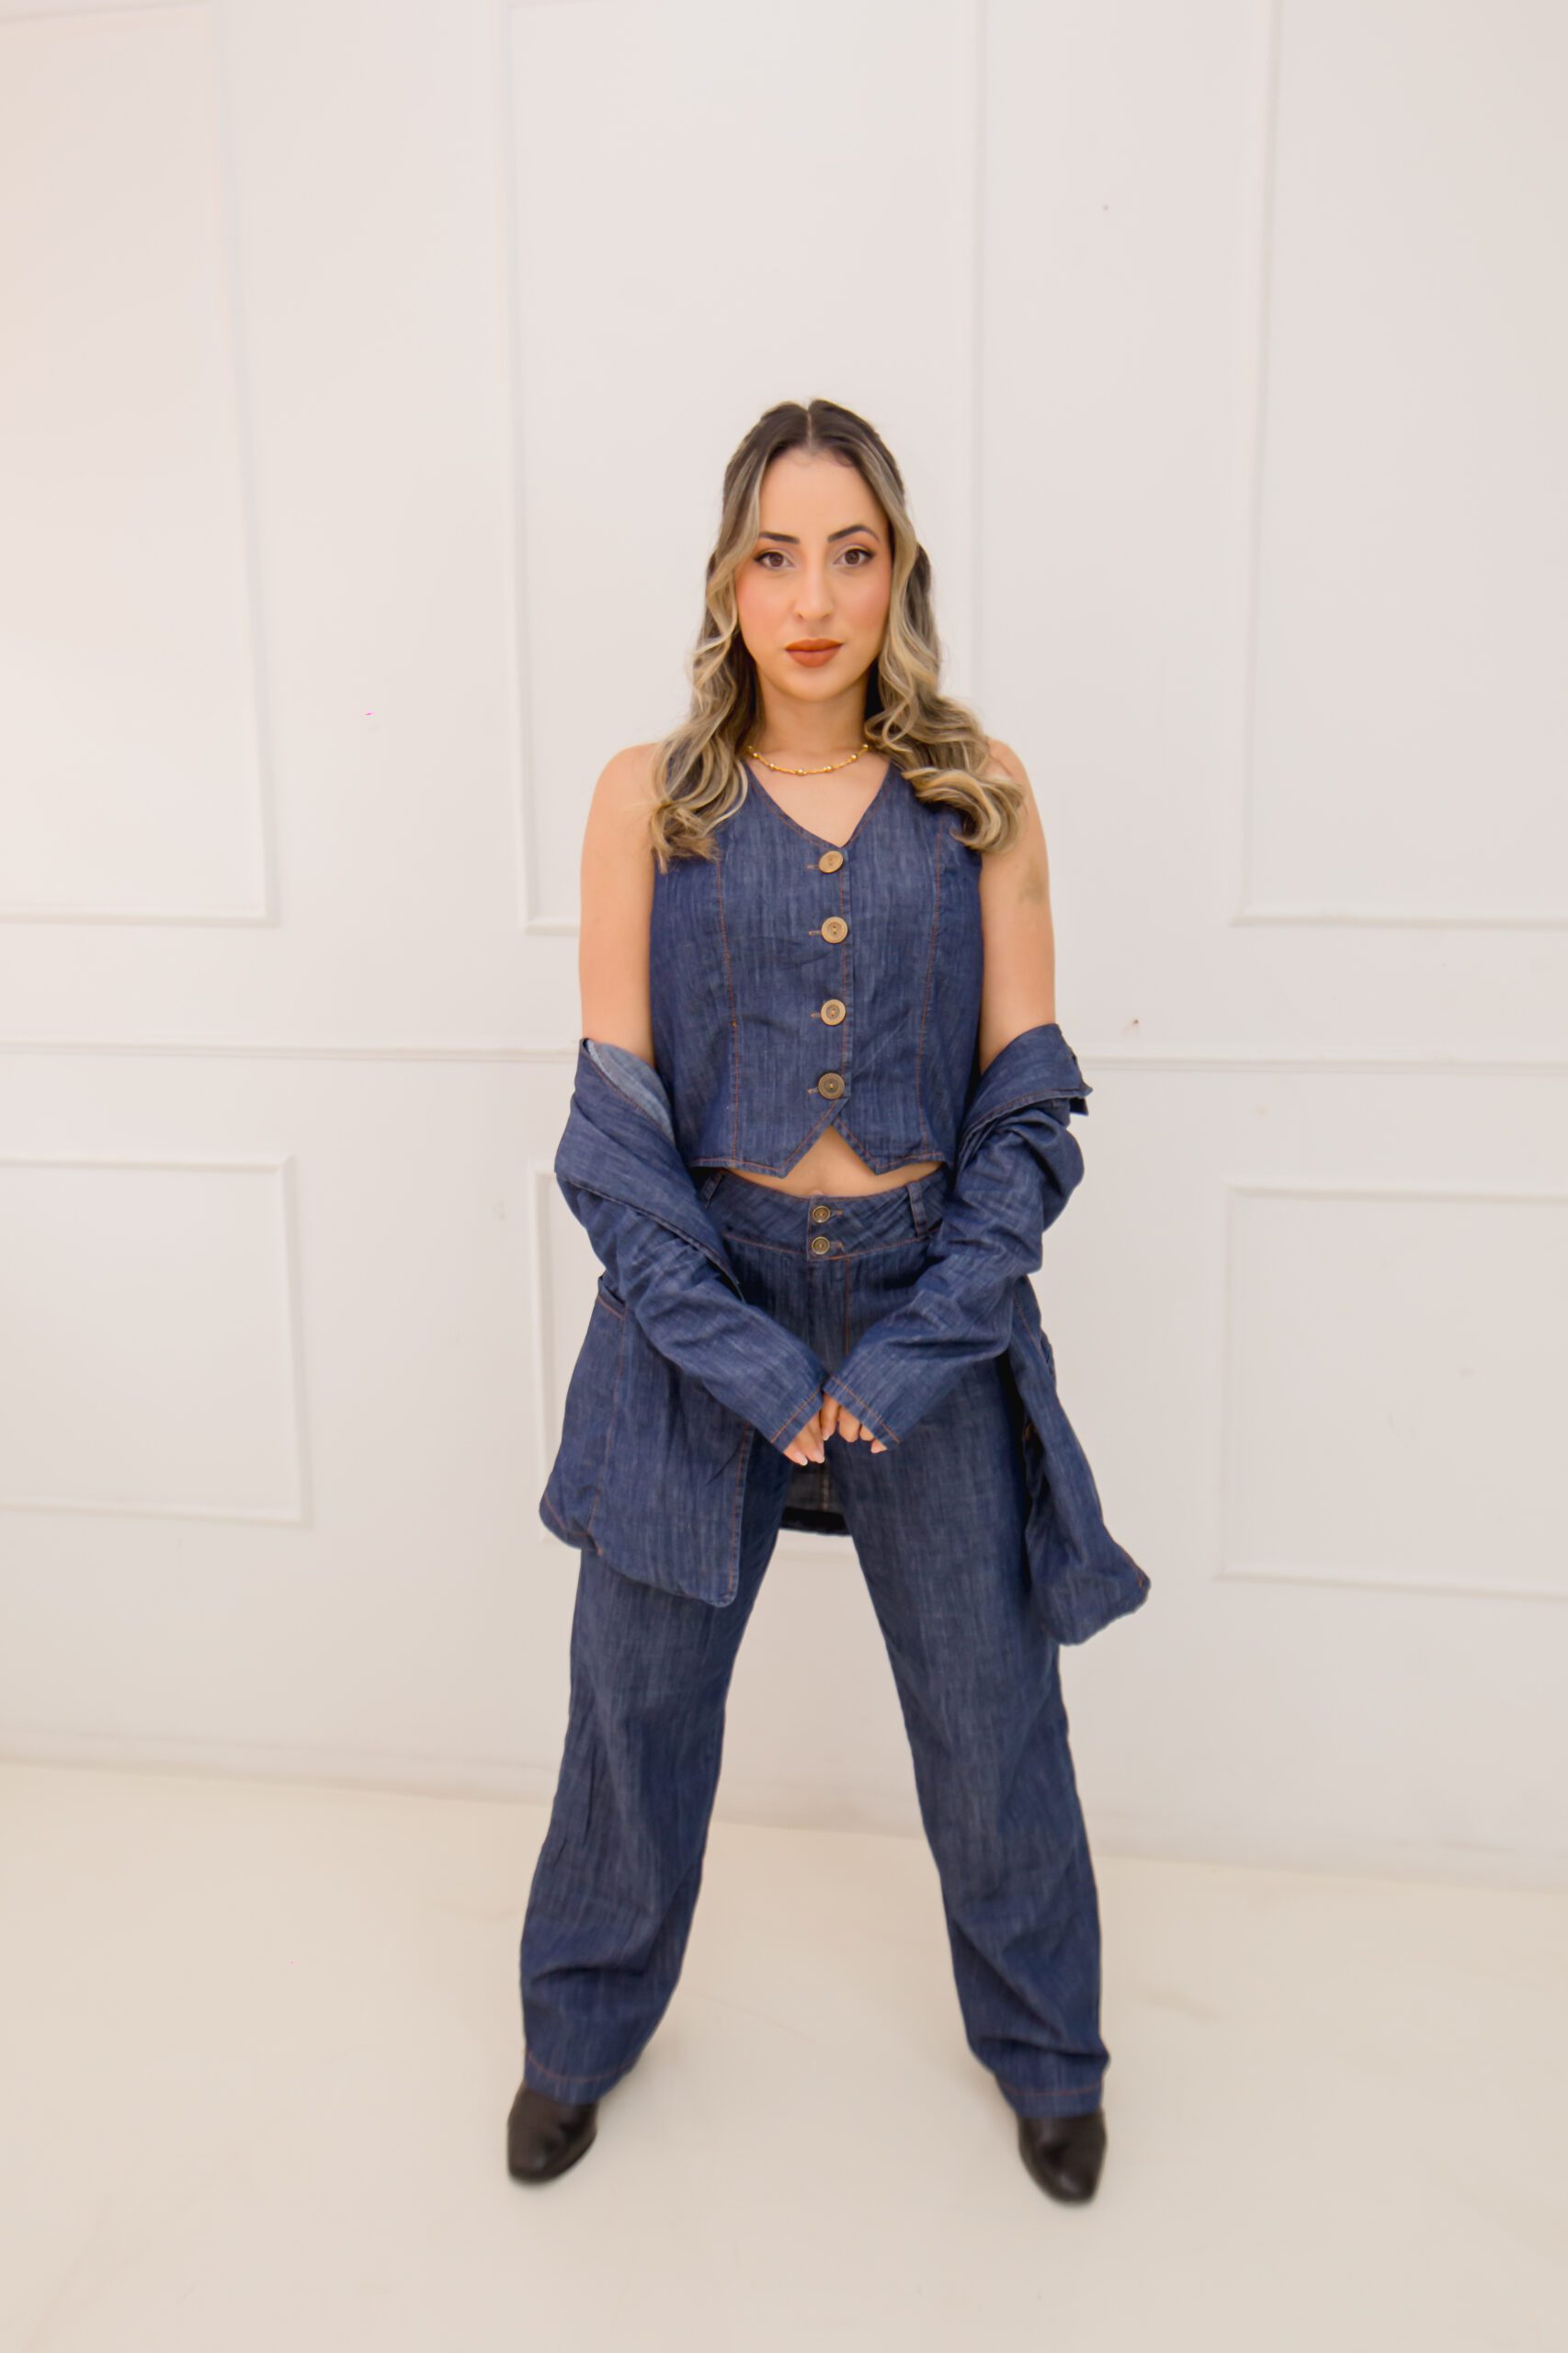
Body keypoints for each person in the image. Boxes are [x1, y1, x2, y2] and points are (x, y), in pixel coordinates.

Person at [507, 398, 1149, 2201]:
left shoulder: (979, 788)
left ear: (898, 572)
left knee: (991, 1713)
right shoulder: (646, 797)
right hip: (692, 1298)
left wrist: (932, 1332)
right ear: (726, 580)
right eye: (774, 556)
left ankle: (1049, 2056)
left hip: (924, 1293)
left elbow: (1026, 1101)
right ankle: (575, 2037)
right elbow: (611, 1126)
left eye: (850, 554)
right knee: (633, 1707)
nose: (812, 598)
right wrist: (731, 1348)